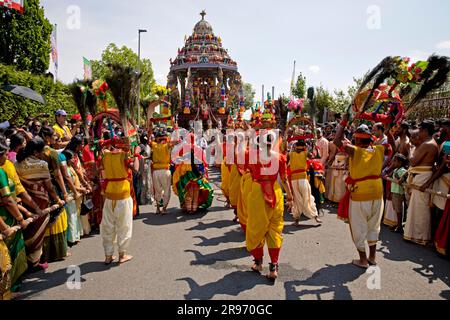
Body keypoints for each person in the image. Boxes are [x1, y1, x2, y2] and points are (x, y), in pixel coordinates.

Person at [334, 118, 385, 269]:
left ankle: (363, 260)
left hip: (360, 193)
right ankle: (373, 257)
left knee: (359, 226)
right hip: (377, 191)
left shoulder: (355, 151)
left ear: (356, 139)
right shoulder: (379, 149)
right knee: (374, 225)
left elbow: (337, 140)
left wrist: (344, 122)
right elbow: (392, 144)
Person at [246, 131, 293, 280]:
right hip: (275, 192)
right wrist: (290, 196)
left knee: (256, 228)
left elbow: (248, 172)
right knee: (274, 229)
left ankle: (258, 263)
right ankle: (273, 267)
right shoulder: (279, 157)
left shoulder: (251, 156)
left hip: (258, 194)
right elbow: (284, 179)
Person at [15, 137, 64, 269]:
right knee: (37, 231)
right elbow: (49, 187)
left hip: (24, 202)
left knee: (28, 230)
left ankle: (28, 260)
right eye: (42, 151)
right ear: (36, 152)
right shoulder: (41, 164)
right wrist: (58, 200)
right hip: (40, 202)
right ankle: (34, 261)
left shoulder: (17, 163)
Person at [99, 137, 135, 265]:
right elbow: (136, 169)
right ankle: (122, 254)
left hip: (109, 194)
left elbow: (100, 172)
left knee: (108, 226)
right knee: (124, 225)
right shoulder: (124, 155)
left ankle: (108, 255)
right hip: (123, 194)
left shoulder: (104, 156)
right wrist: (135, 155)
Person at [404, 120, 438, 245]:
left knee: (420, 208)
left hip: (422, 176)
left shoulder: (428, 144)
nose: (418, 133)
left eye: (420, 130)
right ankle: (416, 235)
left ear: (425, 131)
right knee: (416, 207)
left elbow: (413, 161)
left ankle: (420, 236)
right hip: (421, 175)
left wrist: (410, 149)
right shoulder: (429, 143)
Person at [288, 140, 322, 226]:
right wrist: (314, 148)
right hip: (302, 179)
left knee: (297, 199)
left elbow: (285, 162)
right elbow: (317, 156)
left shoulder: (291, 154)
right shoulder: (305, 153)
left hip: (295, 179)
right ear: (304, 147)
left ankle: (297, 219)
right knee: (307, 197)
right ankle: (315, 216)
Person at [385, 154, 408, 233]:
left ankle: (399, 226)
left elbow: (403, 179)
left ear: (400, 162)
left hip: (398, 192)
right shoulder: (396, 170)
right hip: (394, 191)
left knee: (399, 210)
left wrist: (399, 178)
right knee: (396, 209)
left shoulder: (402, 171)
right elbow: (391, 176)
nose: (393, 163)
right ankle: (398, 224)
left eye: (395, 161)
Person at [150, 131, 173, 214]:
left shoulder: (154, 145)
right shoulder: (167, 145)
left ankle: (158, 209)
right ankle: (164, 209)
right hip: (165, 170)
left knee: (157, 190)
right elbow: (175, 142)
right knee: (166, 190)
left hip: (156, 172)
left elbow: (150, 140)